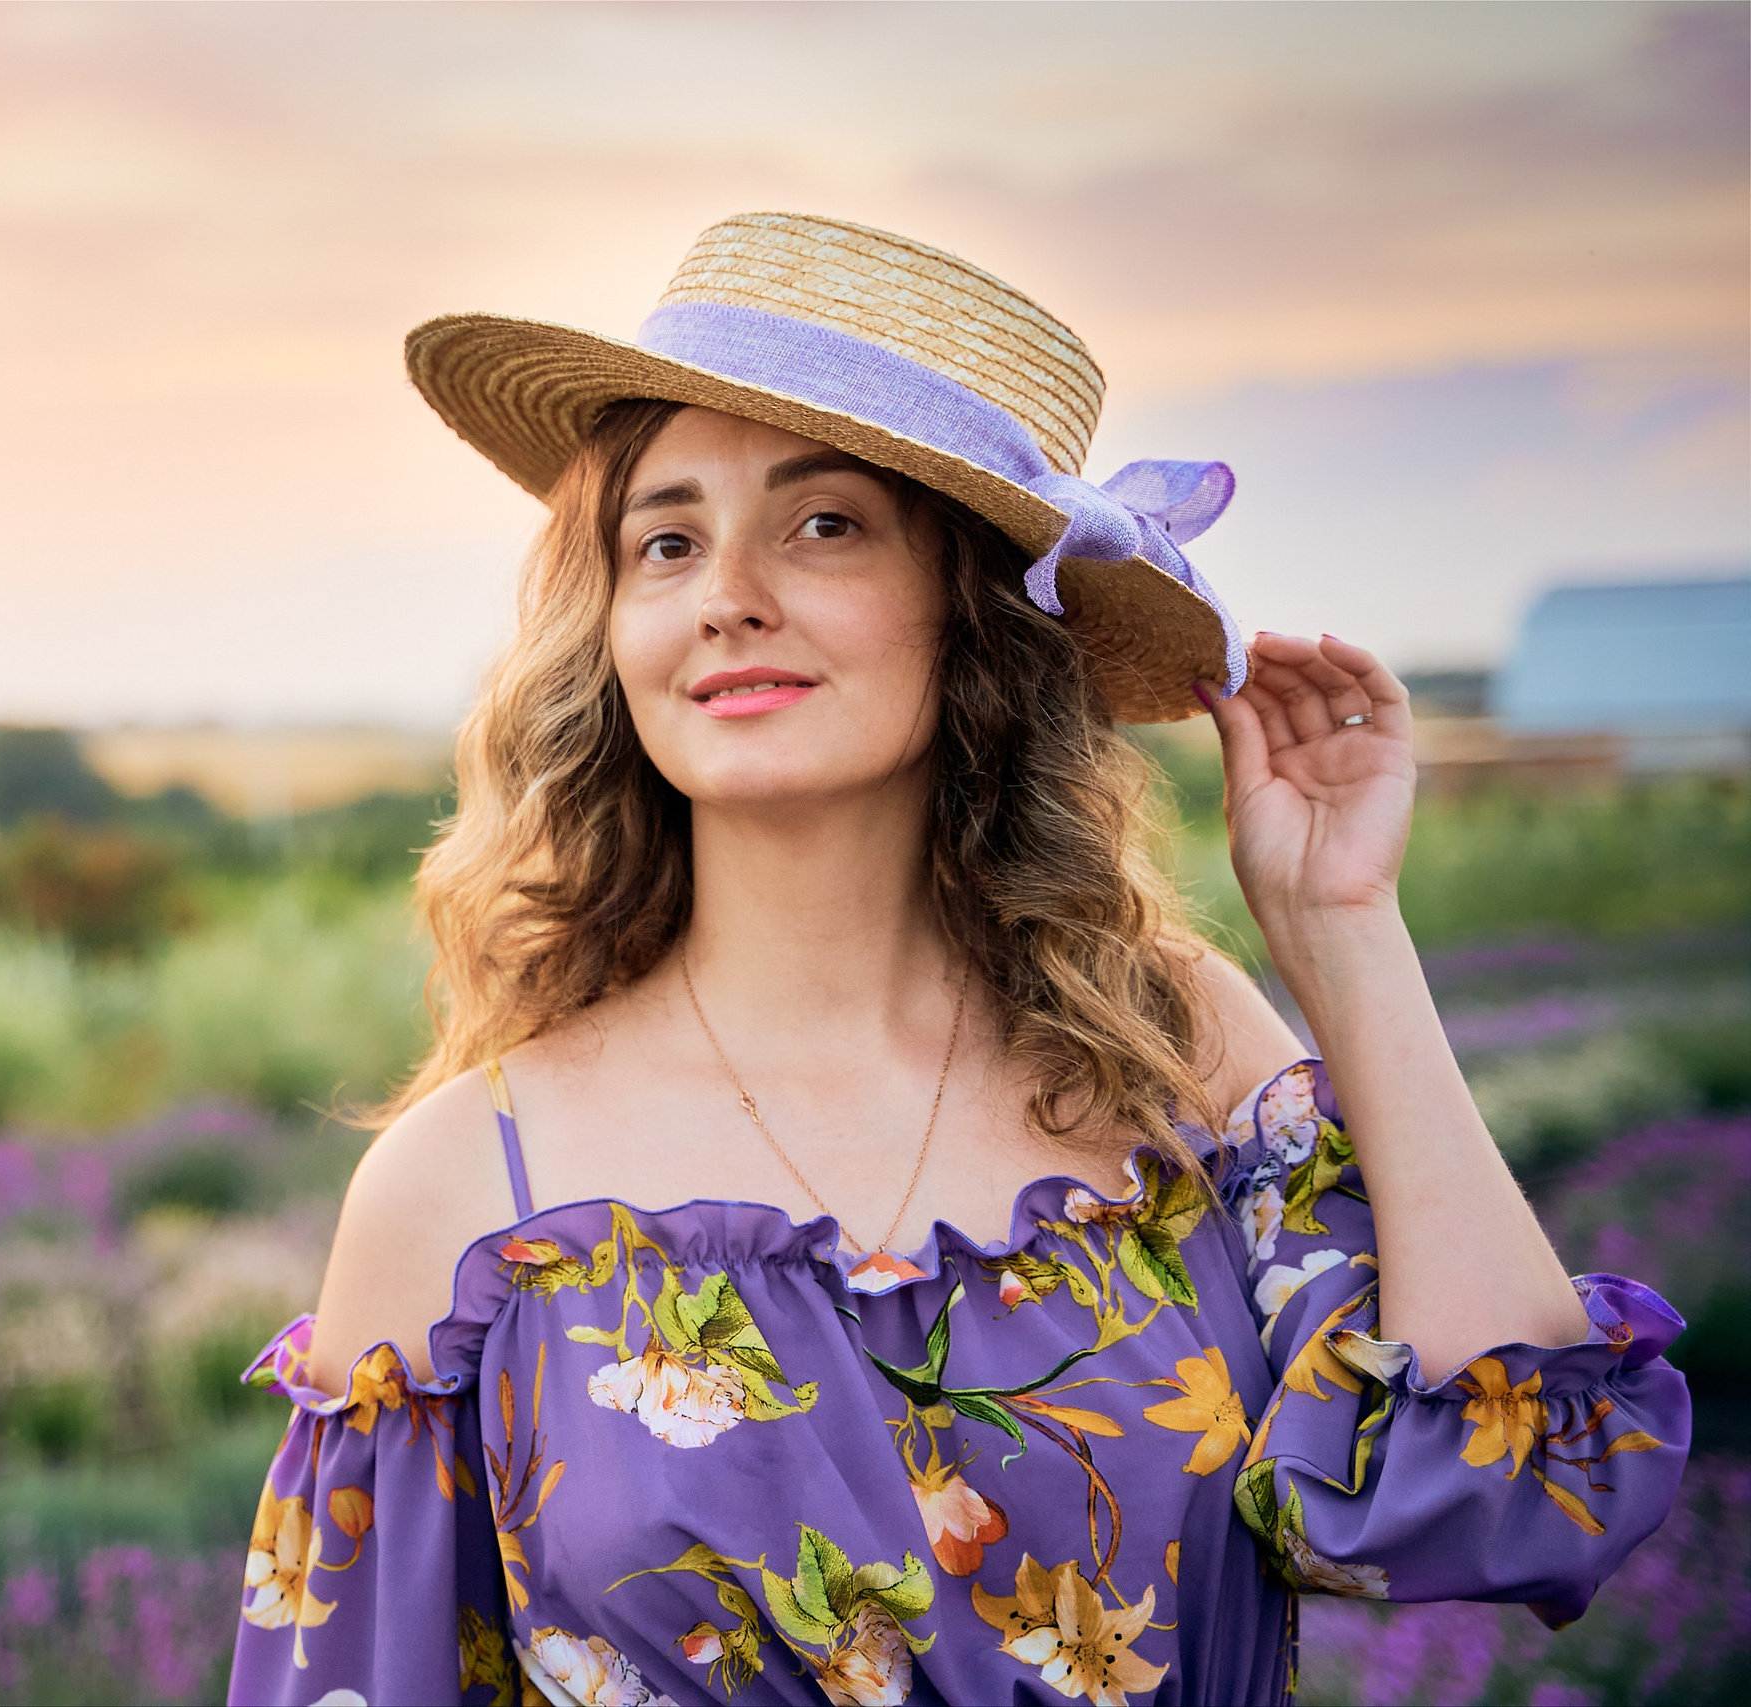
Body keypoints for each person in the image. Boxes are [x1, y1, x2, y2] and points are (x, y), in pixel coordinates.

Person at [227, 213, 1687, 1707]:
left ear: (972, 607)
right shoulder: (474, 1190)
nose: (725, 591)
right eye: (665, 540)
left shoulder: (1175, 1053)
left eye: (823, 524)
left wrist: (1344, 935)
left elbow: (1522, 1495)